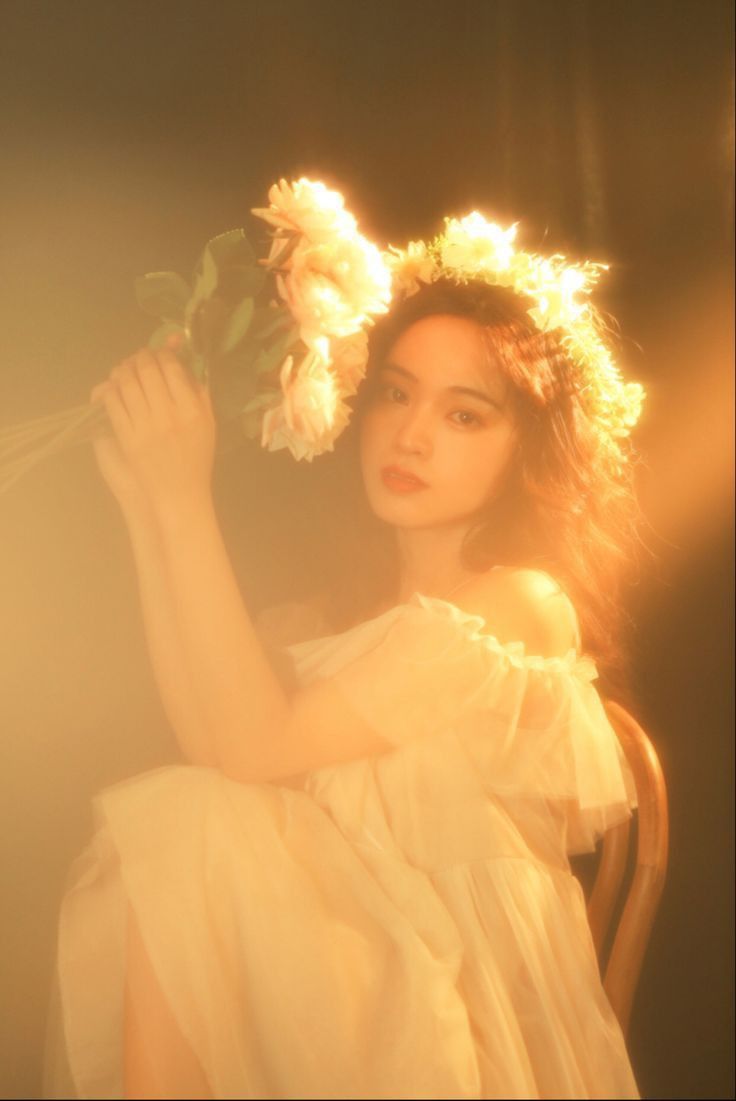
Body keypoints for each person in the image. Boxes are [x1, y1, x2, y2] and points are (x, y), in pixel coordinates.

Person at [45, 274, 644, 1099]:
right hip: (347, 984)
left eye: (464, 414)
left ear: (528, 446)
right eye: (396, 395)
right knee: (187, 821)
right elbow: (213, 743)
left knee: (191, 826)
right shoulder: (325, 624)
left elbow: (252, 751)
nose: (412, 436)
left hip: (458, 1013)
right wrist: (149, 508)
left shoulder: (518, 602)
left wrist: (187, 498)